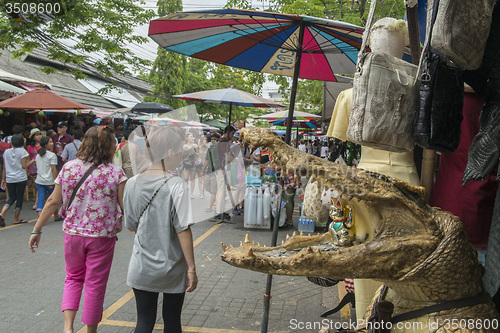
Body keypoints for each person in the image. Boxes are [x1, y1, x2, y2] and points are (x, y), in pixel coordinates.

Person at [326, 17, 420, 320]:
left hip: (365, 182)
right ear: (404, 49)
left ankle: (368, 320)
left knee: (367, 256)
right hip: (409, 182)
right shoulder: (417, 90)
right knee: (405, 261)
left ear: (369, 46)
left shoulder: (351, 94)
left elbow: (337, 152)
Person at [28, 126, 127, 333]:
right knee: (95, 284)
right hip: (101, 237)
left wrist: (37, 229)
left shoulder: (69, 168)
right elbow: (125, 207)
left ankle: (67, 328)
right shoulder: (116, 173)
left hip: (72, 234)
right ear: (110, 146)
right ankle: (90, 331)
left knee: (73, 278)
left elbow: (53, 201)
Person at [123, 125, 197, 333]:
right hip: (172, 267)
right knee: (172, 321)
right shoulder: (177, 185)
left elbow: (131, 226)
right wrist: (191, 268)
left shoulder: (131, 183)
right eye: (181, 149)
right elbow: (183, 230)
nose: (182, 154)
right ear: (171, 152)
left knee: (144, 321)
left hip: (141, 266)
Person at [0, 134, 32, 226]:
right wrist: (32, 161)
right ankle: (16, 218)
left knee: (11, 198)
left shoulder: (6, 152)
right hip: (20, 178)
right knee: (19, 198)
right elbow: (24, 166)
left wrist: (3, 179)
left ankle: (2, 213)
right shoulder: (23, 151)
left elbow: (5, 168)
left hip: (9, 178)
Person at [34, 136, 57, 217]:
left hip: (39, 180)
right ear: (46, 145)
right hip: (49, 181)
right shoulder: (52, 155)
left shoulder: (38, 155)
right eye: (50, 142)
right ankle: (56, 215)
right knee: (53, 199)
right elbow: (53, 168)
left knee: (41, 197)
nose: (52, 143)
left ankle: (40, 215)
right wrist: (55, 180)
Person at [202, 133, 220, 212]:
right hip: (209, 171)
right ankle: (216, 197)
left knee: (213, 190)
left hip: (216, 171)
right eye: (212, 139)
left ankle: (210, 206)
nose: (213, 141)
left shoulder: (219, 149)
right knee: (206, 186)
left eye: (215, 139)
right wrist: (203, 170)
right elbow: (206, 160)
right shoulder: (209, 149)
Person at [27, 128, 43, 210]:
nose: (39, 136)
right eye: (37, 135)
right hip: (33, 167)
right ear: (33, 137)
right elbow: (28, 157)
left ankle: (37, 202)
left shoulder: (44, 145)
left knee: (39, 185)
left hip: (42, 167)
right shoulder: (30, 147)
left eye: (40, 134)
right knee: (36, 185)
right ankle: (39, 200)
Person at [181, 133, 200, 199]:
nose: (192, 138)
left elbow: (198, 155)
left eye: (192, 137)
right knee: (185, 178)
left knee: (192, 179)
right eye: (190, 137)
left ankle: (191, 193)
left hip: (193, 163)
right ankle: (186, 192)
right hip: (186, 163)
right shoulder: (184, 146)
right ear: (187, 138)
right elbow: (181, 155)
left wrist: (195, 153)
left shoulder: (195, 146)